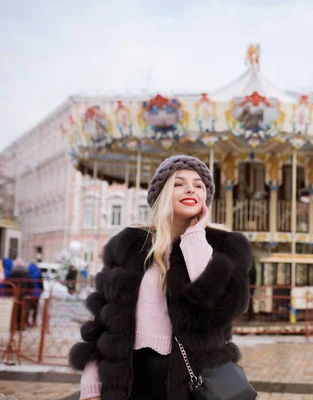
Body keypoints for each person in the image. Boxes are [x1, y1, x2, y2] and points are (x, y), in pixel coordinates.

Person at [68, 155, 253, 400]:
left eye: (199, 185)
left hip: (194, 382)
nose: (191, 189)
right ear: (162, 193)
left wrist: (195, 238)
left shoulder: (226, 246)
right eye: (179, 183)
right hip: (131, 380)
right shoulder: (129, 245)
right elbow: (102, 324)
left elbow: (215, 306)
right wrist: (91, 386)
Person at [27, 261, 44, 326]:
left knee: (27, 308)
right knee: (35, 308)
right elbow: (41, 283)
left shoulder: (27, 272)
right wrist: (42, 290)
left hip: (28, 293)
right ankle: (34, 321)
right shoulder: (38, 272)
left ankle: (26, 321)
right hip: (36, 293)